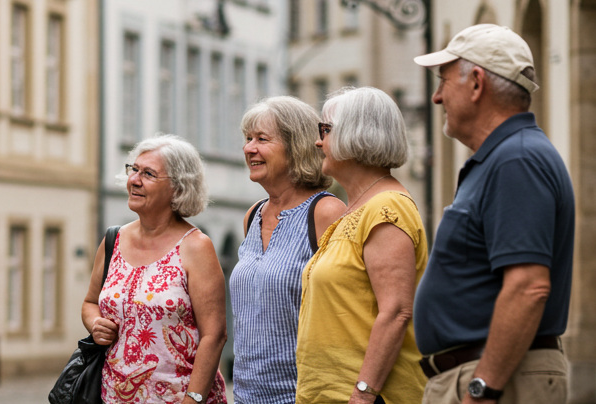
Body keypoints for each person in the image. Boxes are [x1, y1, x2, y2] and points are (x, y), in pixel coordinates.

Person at [412, 24, 574, 404]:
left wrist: (482, 389)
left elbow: (528, 287)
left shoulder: (516, 159)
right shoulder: (508, 156)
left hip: (496, 380)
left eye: (443, 81)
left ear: (476, 83)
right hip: (490, 374)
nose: (436, 97)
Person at [295, 86, 428, 404]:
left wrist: (363, 393)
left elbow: (396, 311)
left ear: (357, 134)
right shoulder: (357, 208)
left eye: (324, 130)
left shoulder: (387, 207)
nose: (318, 141)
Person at [81, 134, 227, 404]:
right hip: (112, 396)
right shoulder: (114, 240)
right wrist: (95, 323)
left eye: (148, 173)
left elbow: (214, 335)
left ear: (178, 187)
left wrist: (193, 399)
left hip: (178, 397)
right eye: (133, 169)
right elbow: (91, 302)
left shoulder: (196, 247)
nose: (134, 179)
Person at [229, 96, 345, 403]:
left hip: (301, 395)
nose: (249, 148)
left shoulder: (326, 213)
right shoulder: (253, 215)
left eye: (262, 139)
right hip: (246, 394)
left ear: (296, 147)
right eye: (248, 139)